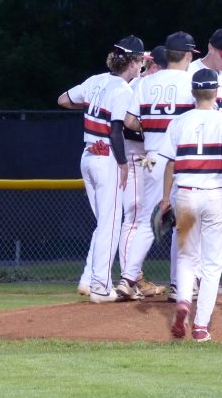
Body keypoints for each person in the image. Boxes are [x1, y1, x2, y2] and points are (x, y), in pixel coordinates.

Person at [158, 68, 222, 341]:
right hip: (214, 196)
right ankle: (200, 326)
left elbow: (170, 164)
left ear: (193, 92)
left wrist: (165, 199)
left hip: (185, 194)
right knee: (212, 264)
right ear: (216, 92)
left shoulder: (179, 122)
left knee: (187, 257)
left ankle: (184, 300)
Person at [58, 35, 147, 303]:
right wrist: (122, 163)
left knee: (104, 224)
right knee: (110, 225)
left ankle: (89, 280)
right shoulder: (123, 90)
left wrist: (89, 106)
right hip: (107, 157)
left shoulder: (94, 81)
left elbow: (63, 99)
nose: (141, 65)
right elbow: (117, 129)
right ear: (131, 62)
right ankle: (100, 286)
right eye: (140, 60)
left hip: (87, 155)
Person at [115, 31, 199, 301]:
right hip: (182, 159)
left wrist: (151, 128)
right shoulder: (192, 82)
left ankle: (128, 279)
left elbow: (128, 122)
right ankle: (181, 286)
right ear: (187, 55)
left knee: (144, 222)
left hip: (151, 156)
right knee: (183, 221)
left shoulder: (145, 82)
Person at [167, 29, 222, 301]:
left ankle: (200, 282)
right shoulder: (190, 73)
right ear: (211, 48)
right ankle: (180, 283)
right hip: (188, 159)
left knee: (202, 228)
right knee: (186, 227)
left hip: (214, 162)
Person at [118, 45, 168, 298]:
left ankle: (133, 278)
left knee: (137, 215)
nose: (148, 66)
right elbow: (126, 124)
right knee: (136, 215)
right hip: (135, 154)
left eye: (150, 62)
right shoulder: (141, 85)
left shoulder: (145, 84)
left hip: (143, 155)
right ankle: (131, 279)